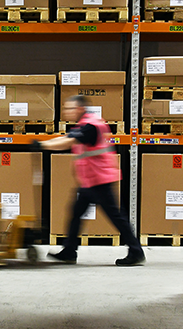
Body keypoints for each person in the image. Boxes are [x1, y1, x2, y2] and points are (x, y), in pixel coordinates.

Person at [34, 95, 145, 266]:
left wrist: (42, 146)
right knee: (76, 213)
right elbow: (65, 138)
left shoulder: (91, 126)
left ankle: (136, 251)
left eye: (69, 108)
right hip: (90, 181)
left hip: (100, 180)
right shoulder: (83, 125)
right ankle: (69, 251)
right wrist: (43, 142)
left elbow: (68, 142)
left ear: (80, 109)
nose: (66, 112)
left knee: (116, 217)